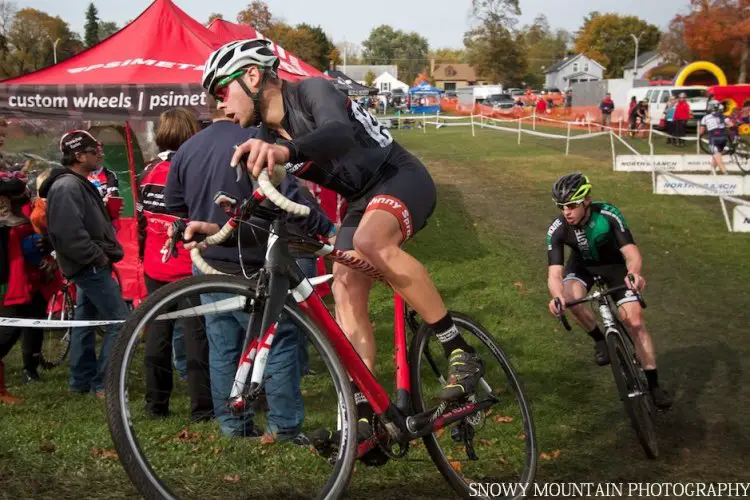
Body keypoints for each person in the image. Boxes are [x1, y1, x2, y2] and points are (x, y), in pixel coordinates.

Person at [198, 38, 486, 444]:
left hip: (398, 176)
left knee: (369, 241)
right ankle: (367, 411)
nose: (219, 106)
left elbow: (337, 135)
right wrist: (217, 230)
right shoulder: (266, 134)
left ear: (251, 76)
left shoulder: (312, 91)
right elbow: (272, 200)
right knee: (344, 283)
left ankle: (460, 350)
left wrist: (285, 150)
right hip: (358, 199)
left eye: (221, 92)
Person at [165, 96, 334, 440]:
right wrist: (326, 228)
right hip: (255, 263)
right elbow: (289, 196)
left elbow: (175, 204)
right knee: (279, 340)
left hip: (209, 261)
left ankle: (232, 424)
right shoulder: (258, 140)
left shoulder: (187, 149)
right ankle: (284, 426)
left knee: (223, 345)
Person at [545, 173, 671, 410]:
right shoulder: (558, 228)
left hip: (614, 267)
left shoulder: (608, 214)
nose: (566, 212)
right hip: (582, 266)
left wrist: (633, 272)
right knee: (571, 298)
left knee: (634, 321)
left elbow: (631, 253)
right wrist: (557, 296)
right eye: (561, 207)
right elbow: (554, 274)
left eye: (572, 205)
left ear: (586, 200)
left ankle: (654, 384)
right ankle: (600, 340)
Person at [39, 130, 131, 398]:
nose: (99, 154)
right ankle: (105, 383)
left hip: (87, 265)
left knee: (85, 323)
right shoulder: (67, 186)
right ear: (79, 156)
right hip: (89, 266)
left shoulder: (75, 183)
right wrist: (98, 257)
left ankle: (80, 381)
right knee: (121, 322)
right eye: (94, 151)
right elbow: (69, 235)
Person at [137, 108, 213, 420]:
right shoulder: (193, 167)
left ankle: (156, 404)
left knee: (158, 333)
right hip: (189, 261)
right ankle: (202, 408)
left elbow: (142, 218)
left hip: (156, 262)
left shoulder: (148, 171)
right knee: (197, 336)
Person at [699, 100, 733, 175]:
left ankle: (725, 172)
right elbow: (731, 125)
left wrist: (702, 130)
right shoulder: (723, 115)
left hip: (714, 138)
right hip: (724, 138)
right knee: (716, 155)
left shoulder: (705, 117)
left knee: (716, 155)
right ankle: (712, 171)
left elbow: (701, 132)